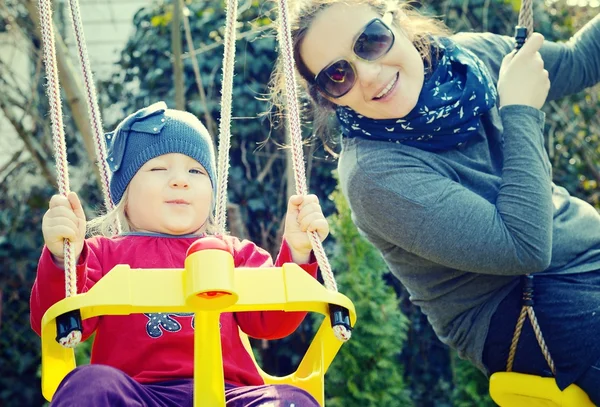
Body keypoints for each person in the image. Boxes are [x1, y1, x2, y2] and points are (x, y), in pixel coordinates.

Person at [273, 0, 600, 402]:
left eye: (370, 41)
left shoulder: (473, 59)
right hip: (524, 310)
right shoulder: (374, 174)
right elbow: (524, 247)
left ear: (397, 21)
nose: (371, 76)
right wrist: (519, 110)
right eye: (338, 75)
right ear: (327, 97)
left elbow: (581, 60)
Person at [30, 101, 328, 406]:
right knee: (89, 384)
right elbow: (58, 322)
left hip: (230, 395)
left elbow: (274, 322)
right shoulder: (101, 254)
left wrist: (299, 253)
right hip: (137, 394)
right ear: (125, 195)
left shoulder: (234, 255)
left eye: (196, 171)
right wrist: (61, 256)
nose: (180, 180)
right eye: (158, 168)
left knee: (292, 399)